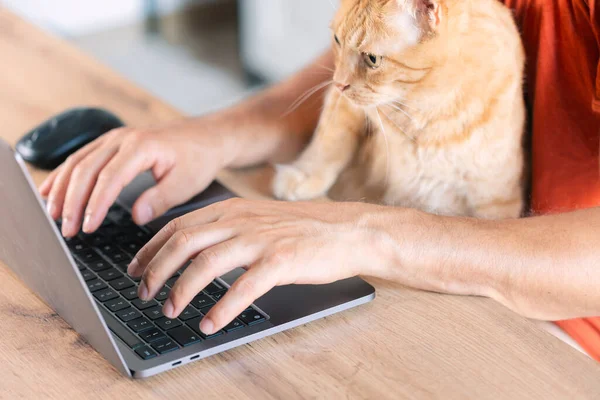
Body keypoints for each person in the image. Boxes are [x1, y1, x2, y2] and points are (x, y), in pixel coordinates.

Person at [39, 1, 600, 357]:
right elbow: (358, 66)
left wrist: (366, 233)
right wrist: (215, 134)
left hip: (563, 333)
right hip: (463, 264)